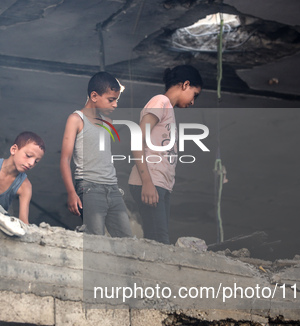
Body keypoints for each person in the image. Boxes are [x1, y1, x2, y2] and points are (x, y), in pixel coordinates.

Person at [128, 65, 203, 244]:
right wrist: (147, 182)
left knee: (158, 238)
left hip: (161, 184)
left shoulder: (167, 108)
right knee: (159, 240)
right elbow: (137, 139)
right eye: (195, 94)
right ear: (185, 84)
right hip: (150, 181)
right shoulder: (160, 101)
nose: (193, 101)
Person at [60, 72, 133, 237]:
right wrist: (71, 193)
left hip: (113, 189)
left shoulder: (108, 122)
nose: (115, 105)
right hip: (90, 188)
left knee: (128, 240)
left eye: (117, 100)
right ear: (94, 96)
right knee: (95, 238)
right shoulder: (76, 119)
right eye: (111, 100)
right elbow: (65, 160)